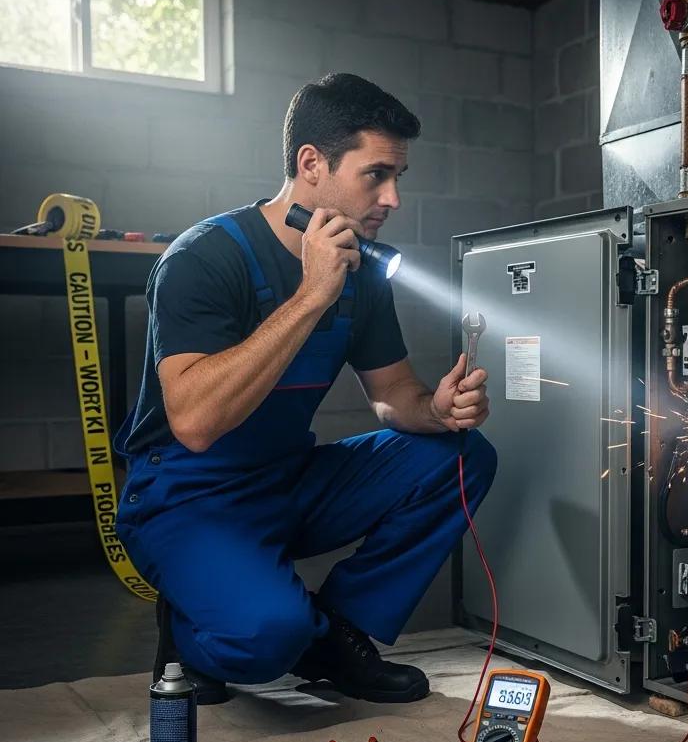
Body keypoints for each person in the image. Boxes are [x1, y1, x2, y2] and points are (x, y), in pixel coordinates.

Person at [114, 73, 496, 705]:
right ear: (311, 164)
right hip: (188, 495)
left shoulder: (364, 271)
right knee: (266, 642)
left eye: (399, 176)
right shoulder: (204, 258)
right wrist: (313, 293)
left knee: (463, 457)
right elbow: (194, 421)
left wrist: (435, 408)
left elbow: (392, 391)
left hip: (286, 480)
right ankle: (192, 629)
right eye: (376, 174)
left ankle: (335, 636)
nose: (393, 197)